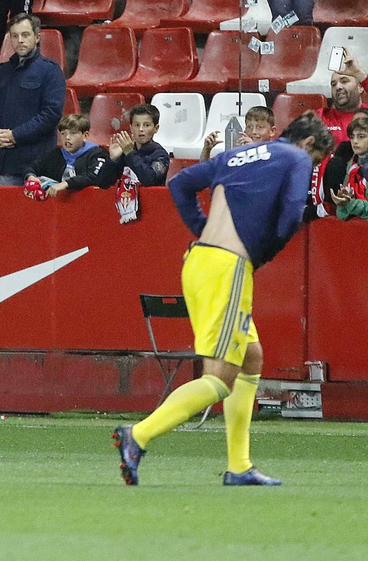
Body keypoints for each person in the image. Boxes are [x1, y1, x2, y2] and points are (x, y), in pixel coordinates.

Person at [115, 112, 333, 487]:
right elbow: (293, 212)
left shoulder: (237, 156)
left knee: (251, 357)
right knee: (219, 377)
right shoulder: (296, 157)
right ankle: (139, 435)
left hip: (200, 261)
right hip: (227, 269)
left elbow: (180, 183)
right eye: (315, 161)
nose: (310, 166)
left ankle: (239, 466)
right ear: (309, 144)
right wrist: (263, 252)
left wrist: (203, 230)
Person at [0, 13, 65, 186]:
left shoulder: (51, 71)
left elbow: (51, 114)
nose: (20, 40)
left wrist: (15, 135)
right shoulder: (3, 71)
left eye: (25, 35)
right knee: (10, 213)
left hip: (38, 165)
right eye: (15, 36)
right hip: (6, 163)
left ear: (37, 37)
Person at [27, 112, 108, 196]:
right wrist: (30, 176)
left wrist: (66, 183)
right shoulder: (56, 154)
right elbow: (33, 167)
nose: (67, 138)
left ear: (85, 135)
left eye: (73, 133)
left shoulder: (97, 154)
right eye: (63, 134)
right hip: (59, 205)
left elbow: (95, 176)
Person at [93, 103, 171, 187]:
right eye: (137, 125)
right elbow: (102, 183)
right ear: (131, 128)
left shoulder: (160, 154)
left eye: (146, 125)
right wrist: (112, 159)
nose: (141, 129)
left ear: (156, 128)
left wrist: (130, 153)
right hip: (123, 199)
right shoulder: (124, 151)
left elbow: (149, 180)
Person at [202, 104, 279, 160]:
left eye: (260, 127)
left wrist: (253, 149)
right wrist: (207, 150)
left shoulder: (276, 153)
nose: (253, 132)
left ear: (272, 131)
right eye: (249, 127)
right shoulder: (238, 154)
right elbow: (207, 173)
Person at [329, 114, 368, 220]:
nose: (355, 141)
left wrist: (350, 204)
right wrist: (344, 202)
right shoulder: (352, 164)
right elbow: (342, 216)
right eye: (352, 137)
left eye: (361, 137)